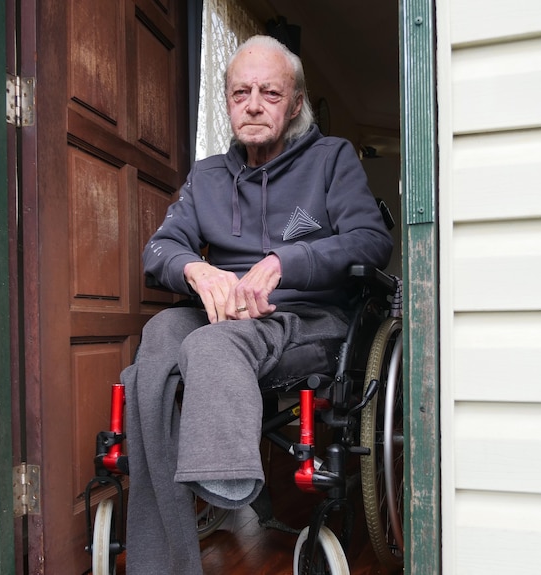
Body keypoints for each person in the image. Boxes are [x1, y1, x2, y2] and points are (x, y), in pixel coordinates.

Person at [120, 35, 393, 574]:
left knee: (211, 342)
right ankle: (162, 554)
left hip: (306, 315)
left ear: (294, 104)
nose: (252, 104)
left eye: (270, 92)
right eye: (240, 92)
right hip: (223, 314)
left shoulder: (332, 159)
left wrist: (285, 261)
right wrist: (198, 270)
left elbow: (370, 240)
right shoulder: (207, 176)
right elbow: (160, 248)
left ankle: (227, 481)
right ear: (226, 101)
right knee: (157, 343)